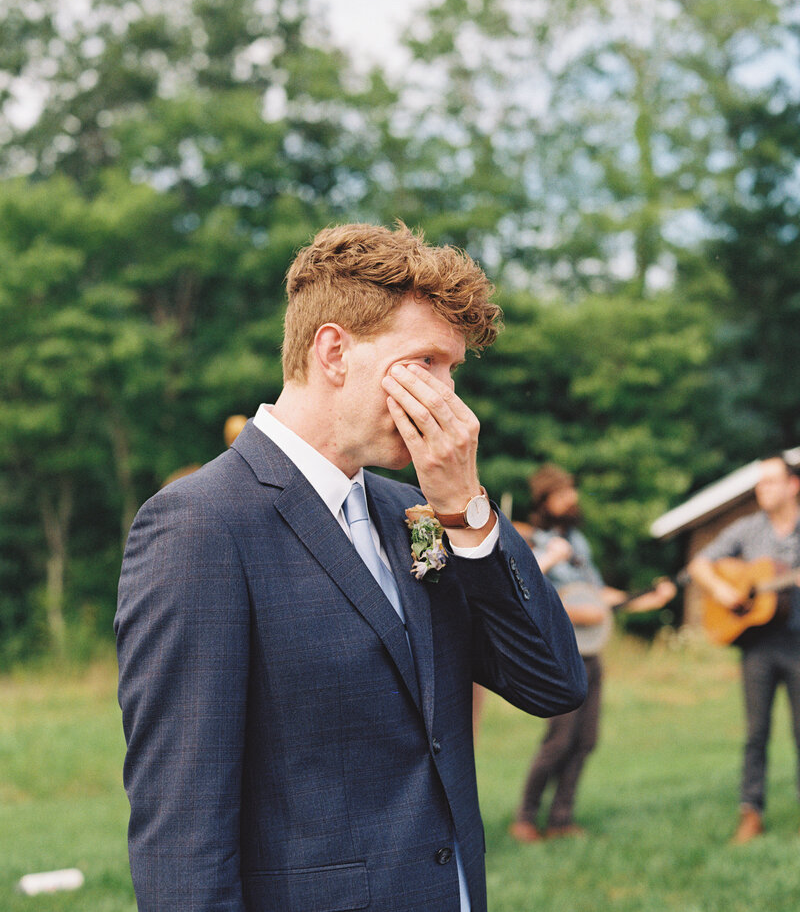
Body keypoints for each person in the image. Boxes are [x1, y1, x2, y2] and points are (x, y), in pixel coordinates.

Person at [115, 223, 586, 912]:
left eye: (453, 371)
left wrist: (467, 509)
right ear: (334, 350)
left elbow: (553, 681)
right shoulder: (199, 525)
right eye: (426, 362)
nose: (450, 401)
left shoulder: (418, 515)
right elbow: (180, 836)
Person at [510, 464, 674, 842]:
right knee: (559, 740)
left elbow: (598, 596)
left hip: (591, 653)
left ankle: (561, 819)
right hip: (558, 655)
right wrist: (570, 610)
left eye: (573, 491)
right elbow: (524, 593)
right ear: (546, 501)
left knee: (586, 740)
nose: (573, 498)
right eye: (564, 493)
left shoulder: (578, 543)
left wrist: (647, 599)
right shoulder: (533, 543)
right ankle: (525, 818)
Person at [687, 454, 800, 844]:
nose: (761, 489)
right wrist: (723, 590)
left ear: (792, 486)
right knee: (756, 733)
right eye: (759, 483)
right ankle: (751, 812)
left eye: (770, 481)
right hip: (758, 646)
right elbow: (700, 563)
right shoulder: (748, 529)